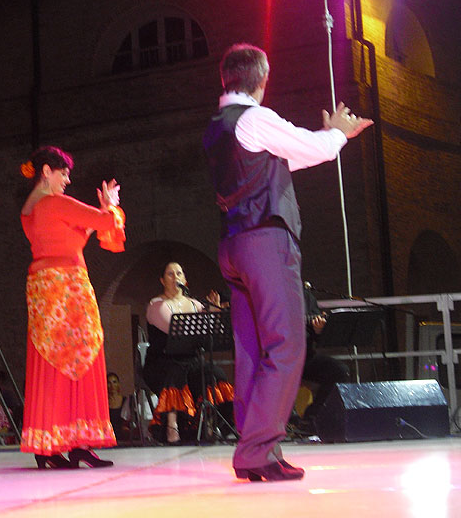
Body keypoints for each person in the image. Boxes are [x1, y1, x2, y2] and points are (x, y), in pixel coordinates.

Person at [203, 43, 372, 482]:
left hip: (234, 243)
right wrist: (337, 135)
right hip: (264, 241)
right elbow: (310, 148)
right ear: (261, 79)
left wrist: (326, 139)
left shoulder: (219, 126)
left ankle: (259, 447)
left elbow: (284, 159)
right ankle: (256, 451)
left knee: (252, 351)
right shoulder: (255, 117)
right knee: (286, 344)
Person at [19, 146, 126, 469]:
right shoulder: (55, 202)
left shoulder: (30, 210)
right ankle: (78, 442)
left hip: (43, 292)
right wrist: (111, 205)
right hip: (68, 290)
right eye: (63, 174)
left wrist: (99, 215)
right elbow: (105, 221)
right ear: (46, 172)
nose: (67, 180)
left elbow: (72, 239)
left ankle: (49, 447)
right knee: (83, 358)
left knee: (51, 363)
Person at [143, 262, 234, 444]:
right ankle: (172, 426)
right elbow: (178, 332)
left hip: (190, 361)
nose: (175, 277)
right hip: (162, 361)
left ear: (185, 280)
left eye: (179, 273)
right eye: (170, 274)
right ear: (162, 280)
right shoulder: (157, 305)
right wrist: (207, 318)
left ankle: (215, 424)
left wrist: (215, 314)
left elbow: (211, 334)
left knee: (215, 373)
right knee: (175, 373)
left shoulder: (196, 304)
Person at [298, 285, 351, 431]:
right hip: (277, 358)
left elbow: (317, 336)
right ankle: (283, 421)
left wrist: (319, 330)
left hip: (305, 357)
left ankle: (312, 417)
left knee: (339, 371)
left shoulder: (305, 296)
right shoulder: (270, 294)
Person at [106, 372, 131, 441]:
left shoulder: (126, 401)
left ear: (118, 384)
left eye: (114, 382)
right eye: (109, 383)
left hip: (123, 439)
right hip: (108, 438)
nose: (112, 386)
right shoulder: (104, 403)